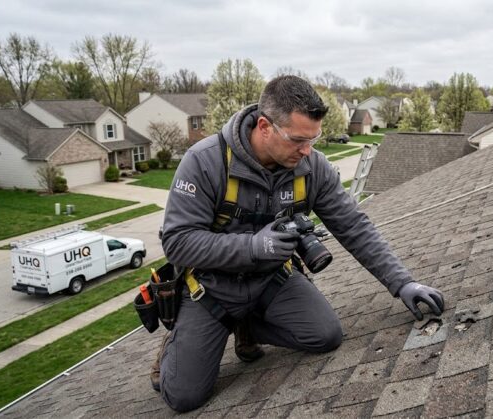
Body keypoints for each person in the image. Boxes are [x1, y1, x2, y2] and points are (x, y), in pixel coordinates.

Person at [154, 76, 444, 412]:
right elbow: (177, 242)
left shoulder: (311, 167)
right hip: (212, 287)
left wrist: (402, 282)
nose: (307, 151)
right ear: (265, 126)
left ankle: (246, 324)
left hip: (270, 281)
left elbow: (353, 226)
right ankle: (186, 341)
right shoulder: (204, 162)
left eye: (313, 139)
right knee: (183, 397)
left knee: (325, 335)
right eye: (297, 140)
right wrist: (251, 247)